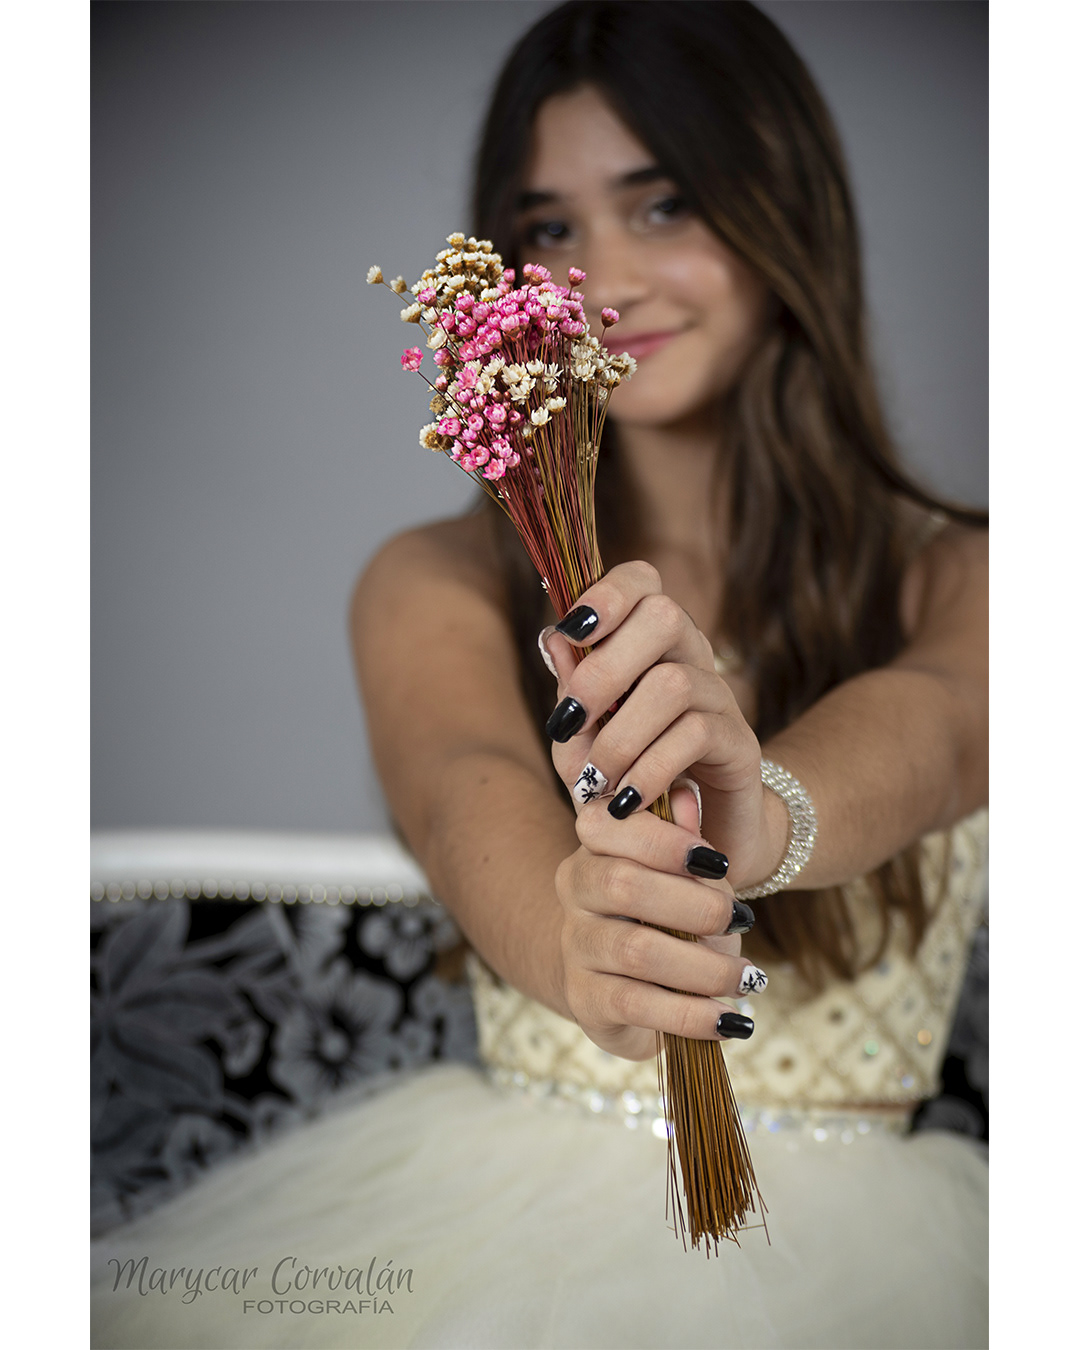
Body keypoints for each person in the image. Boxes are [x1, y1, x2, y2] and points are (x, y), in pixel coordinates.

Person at [89, 4, 988, 1347]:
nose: (604, 277)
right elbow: (461, 786)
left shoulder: (972, 579)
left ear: (788, 208)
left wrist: (765, 815)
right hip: (509, 1236)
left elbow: (943, 728)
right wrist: (576, 944)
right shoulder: (433, 583)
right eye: (550, 228)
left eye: (664, 203)